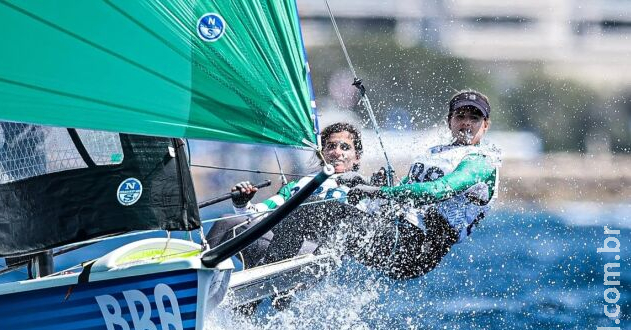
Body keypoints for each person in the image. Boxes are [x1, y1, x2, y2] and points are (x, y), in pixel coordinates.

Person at [346, 89, 502, 279]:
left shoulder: (481, 162)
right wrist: (367, 185)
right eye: (460, 116)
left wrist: (378, 191)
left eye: (474, 118)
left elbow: (437, 191)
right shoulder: (434, 153)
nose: (466, 122)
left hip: (418, 249)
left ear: (485, 125)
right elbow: (403, 191)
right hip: (398, 229)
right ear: (449, 121)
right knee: (330, 210)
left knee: (335, 221)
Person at [205, 122, 382, 267]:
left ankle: (267, 275)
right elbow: (257, 215)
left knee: (308, 206)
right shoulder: (297, 185)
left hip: (316, 256)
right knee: (226, 221)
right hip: (276, 249)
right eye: (331, 146)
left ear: (357, 156)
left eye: (345, 147)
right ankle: (198, 278)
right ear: (322, 153)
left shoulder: (363, 186)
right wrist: (242, 203)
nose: (337, 152)